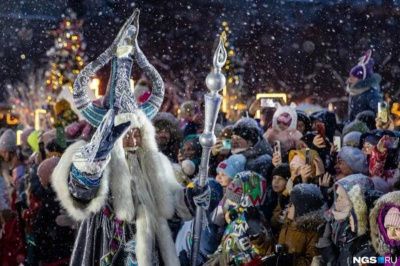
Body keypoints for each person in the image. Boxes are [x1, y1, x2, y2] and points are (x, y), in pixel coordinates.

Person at [52, 11, 207, 265]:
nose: (132, 138)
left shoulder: (154, 161)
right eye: (125, 132)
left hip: (149, 246)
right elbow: (80, 192)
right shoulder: (91, 155)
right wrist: (100, 149)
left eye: (137, 131)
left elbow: (171, 200)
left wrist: (192, 197)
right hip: (104, 245)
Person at [346, 50, 383, 122]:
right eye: (350, 76)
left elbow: (382, 109)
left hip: (367, 130)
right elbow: (352, 116)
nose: (350, 79)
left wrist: (383, 125)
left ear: (361, 79)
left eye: (353, 77)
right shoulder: (354, 92)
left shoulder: (370, 93)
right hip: (355, 128)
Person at [370, 191, 400, 265]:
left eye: (397, 228)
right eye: (388, 228)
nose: (391, 233)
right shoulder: (390, 249)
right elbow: (386, 260)